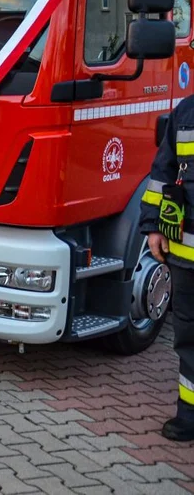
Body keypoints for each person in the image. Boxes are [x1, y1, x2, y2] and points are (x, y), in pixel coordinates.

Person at [142, 98, 194, 441]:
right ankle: (189, 415)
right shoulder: (186, 112)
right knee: (188, 337)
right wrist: (154, 226)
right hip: (186, 254)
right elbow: (163, 172)